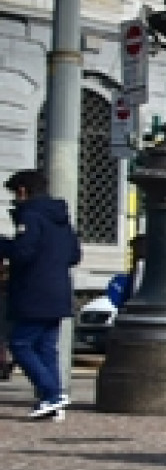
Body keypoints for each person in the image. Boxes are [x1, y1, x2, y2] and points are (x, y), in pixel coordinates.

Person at [0, 170, 82, 420]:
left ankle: (52, 393)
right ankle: (52, 401)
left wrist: (3, 244)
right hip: (58, 290)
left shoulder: (31, 216)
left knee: (21, 344)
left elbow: (23, 252)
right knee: (46, 347)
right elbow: (74, 255)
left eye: (15, 193)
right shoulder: (60, 218)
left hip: (33, 291)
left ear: (23, 191)